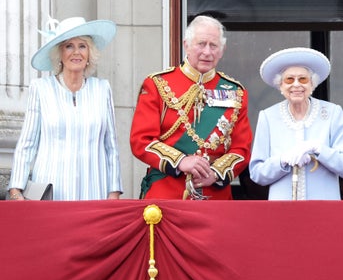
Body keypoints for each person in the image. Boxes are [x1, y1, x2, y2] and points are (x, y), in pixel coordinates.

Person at [130, 15, 252, 199]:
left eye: (214, 46)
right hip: (166, 193)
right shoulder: (158, 84)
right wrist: (181, 161)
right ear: (186, 45)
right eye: (201, 44)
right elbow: (141, 140)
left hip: (215, 197)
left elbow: (241, 149)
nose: (207, 52)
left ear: (222, 50)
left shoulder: (236, 92)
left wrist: (216, 173)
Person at [7, 17, 123, 200]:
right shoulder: (41, 89)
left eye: (82, 46)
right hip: (51, 194)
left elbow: (111, 146)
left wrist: (114, 192)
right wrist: (16, 189)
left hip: (94, 193)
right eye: (69, 46)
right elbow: (27, 144)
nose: (76, 52)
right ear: (59, 53)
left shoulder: (102, 89)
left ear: (89, 54)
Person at [249, 47, 343, 200]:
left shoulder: (332, 113)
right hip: (282, 210)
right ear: (281, 86)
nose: (296, 85)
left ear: (312, 84)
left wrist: (318, 149)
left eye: (303, 79)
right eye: (289, 79)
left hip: (323, 209)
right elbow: (257, 174)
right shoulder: (268, 117)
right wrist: (283, 160)